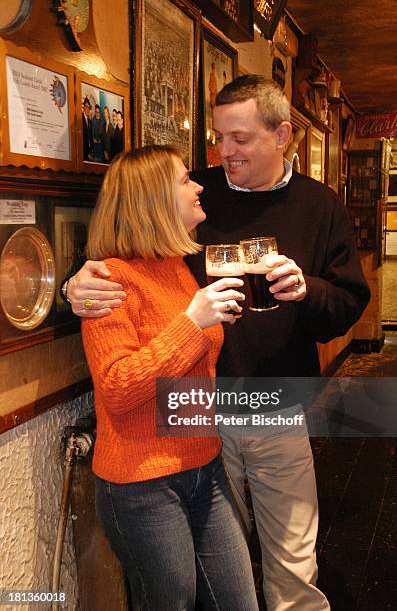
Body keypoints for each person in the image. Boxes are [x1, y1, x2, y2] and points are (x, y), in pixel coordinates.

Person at [63, 76, 370, 610]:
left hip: (274, 404)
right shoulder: (188, 195)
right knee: (210, 573)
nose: (224, 153)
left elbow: (347, 303)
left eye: (241, 139)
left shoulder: (319, 206)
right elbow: (122, 250)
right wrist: (72, 285)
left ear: (283, 136)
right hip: (195, 414)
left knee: (293, 562)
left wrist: (308, 292)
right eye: (218, 137)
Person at [79, 145, 257, 611]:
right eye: (184, 180)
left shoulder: (178, 267)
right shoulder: (111, 280)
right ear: (151, 200)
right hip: (142, 485)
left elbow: (188, 372)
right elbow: (118, 388)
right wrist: (191, 324)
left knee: (239, 600)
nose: (199, 185)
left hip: (204, 464)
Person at [82, 97, 93, 161]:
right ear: (83, 107)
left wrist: (91, 149)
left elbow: (90, 136)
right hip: (83, 150)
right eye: (86, 106)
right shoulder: (81, 119)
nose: (87, 108)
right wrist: (86, 152)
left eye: (89, 107)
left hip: (89, 150)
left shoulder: (89, 121)